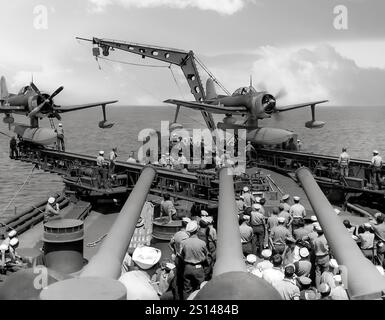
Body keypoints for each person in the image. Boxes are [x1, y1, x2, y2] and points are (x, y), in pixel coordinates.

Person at [181, 220, 208, 300]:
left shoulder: (184, 243)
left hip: (187, 268)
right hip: (198, 268)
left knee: (187, 289)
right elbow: (206, 256)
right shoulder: (202, 243)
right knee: (201, 288)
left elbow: (181, 255)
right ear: (197, 230)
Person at [169, 217, 190, 300]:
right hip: (183, 259)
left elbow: (170, 244)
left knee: (177, 276)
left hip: (177, 257)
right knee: (184, 279)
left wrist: (174, 252)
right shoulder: (186, 236)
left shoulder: (177, 234)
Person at [312, 223, 330, 288]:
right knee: (325, 274)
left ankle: (317, 288)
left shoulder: (315, 240)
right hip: (325, 257)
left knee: (317, 274)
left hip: (318, 258)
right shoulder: (326, 239)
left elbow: (314, 249)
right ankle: (325, 288)